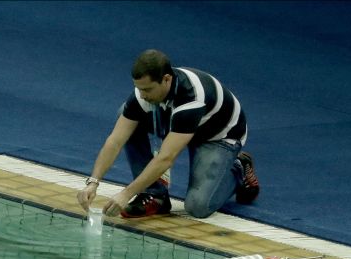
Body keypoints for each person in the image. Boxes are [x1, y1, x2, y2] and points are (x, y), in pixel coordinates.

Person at [77, 49, 259, 219]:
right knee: (124, 115)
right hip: (179, 123)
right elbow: (115, 140)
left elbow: (166, 158)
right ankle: (155, 195)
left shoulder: (191, 99)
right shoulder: (144, 93)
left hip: (217, 137)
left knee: (198, 207)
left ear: (166, 79)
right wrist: (93, 182)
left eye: (147, 89)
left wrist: (126, 194)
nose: (142, 94)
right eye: (139, 88)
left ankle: (239, 168)